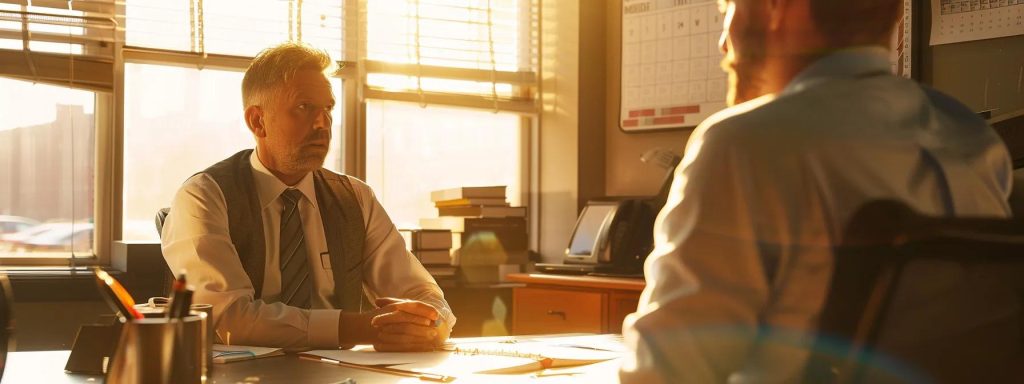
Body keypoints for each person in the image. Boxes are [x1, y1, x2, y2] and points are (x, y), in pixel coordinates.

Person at [621, 0, 1015, 382]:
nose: (723, 41)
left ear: (779, 6)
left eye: (729, 9)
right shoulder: (972, 138)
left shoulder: (744, 143)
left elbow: (665, 372)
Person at [161, 42, 455, 351]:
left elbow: (422, 294)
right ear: (257, 121)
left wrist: (433, 324)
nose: (323, 124)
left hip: (342, 373)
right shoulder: (204, 196)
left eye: (327, 109)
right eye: (304, 108)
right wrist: (367, 328)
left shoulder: (354, 197)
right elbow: (230, 320)